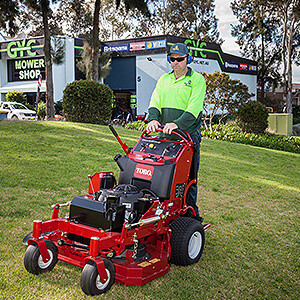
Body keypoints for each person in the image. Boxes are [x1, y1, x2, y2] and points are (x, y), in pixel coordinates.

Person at [146, 43, 206, 220]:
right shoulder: (164, 79)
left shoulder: (197, 79)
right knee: (162, 175)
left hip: (187, 137)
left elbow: (194, 108)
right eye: (172, 59)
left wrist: (177, 124)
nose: (176, 62)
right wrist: (153, 118)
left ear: (188, 59)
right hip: (165, 137)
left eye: (180, 59)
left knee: (188, 178)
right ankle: (164, 212)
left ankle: (189, 213)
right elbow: (155, 101)